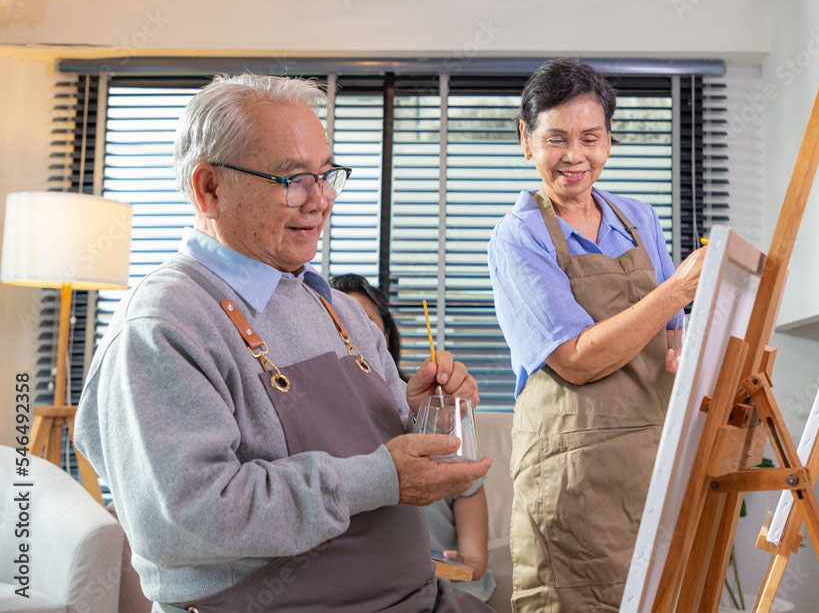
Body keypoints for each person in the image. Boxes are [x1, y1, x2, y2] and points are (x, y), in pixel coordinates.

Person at [75, 74, 493, 613]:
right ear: (210, 189)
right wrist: (377, 479)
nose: (322, 201)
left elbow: (383, 463)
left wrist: (422, 414)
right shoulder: (164, 325)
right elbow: (187, 519)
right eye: (295, 178)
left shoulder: (338, 309)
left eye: (327, 175)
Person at [487, 58, 706, 611]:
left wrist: (689, 346)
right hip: (574, 478)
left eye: (591, 137)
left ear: (610, 139)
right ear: (526, 140)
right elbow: (576, 359)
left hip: (650, 464)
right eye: (556, 139)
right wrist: (676, 290)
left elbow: (672, 333)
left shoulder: (639, 218)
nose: (575, 156)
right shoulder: (518, 237)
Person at [330, 273, 498, 603]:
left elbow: (474, 564)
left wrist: (455, 567)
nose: (348, 335)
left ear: (386, 337)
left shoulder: (434, 413)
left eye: (364, 322)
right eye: (335, 323)